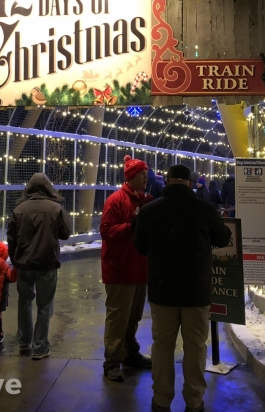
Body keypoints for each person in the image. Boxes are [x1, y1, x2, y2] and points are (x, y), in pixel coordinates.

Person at [135, 165, 232, 412]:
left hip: (162, 289)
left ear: (166, 181)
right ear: (190, 183)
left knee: (162, 346)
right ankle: (194, 401)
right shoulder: (205, 209)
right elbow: (223, 239)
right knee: (196, 346)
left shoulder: (149, 210)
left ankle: (161, 400)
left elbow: (140, 246)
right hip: (196, 291)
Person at [100, 155, 154, 382]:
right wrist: (130, 226)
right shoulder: (116, 200)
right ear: (132, 177)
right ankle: (112, 361)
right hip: (120, 271)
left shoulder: (143, 201)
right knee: (117, 318)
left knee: (133, 317)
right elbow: (106, 231)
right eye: (142, 174)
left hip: (139, 269)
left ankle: (130, 354)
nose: (146, 177)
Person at [7, 173, 71, 360]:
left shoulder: (19, 209)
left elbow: (11, 237)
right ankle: (40, 346)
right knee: (45, 306)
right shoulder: (56, 208)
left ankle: (24, 342)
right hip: (47, 263)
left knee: (24, 302)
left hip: (24, 264)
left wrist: (15, 260)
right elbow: (66, 233)